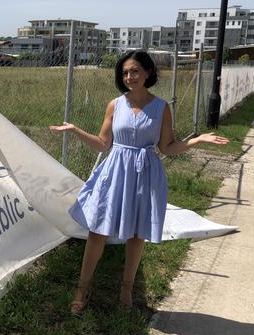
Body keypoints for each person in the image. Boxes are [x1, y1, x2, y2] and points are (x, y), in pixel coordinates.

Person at [49, 50, 228, 313]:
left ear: (148, 73)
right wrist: (75, 130)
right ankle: (82, 289)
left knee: (136, 233)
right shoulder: (115, 104)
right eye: (125, 73)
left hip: (145, 174)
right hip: (115, 173)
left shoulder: (161, 107)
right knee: (98, 230)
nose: (129, 77)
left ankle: (127, 289)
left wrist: (196, 140)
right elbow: (102, 144)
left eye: (134, 71)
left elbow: (166, 148)